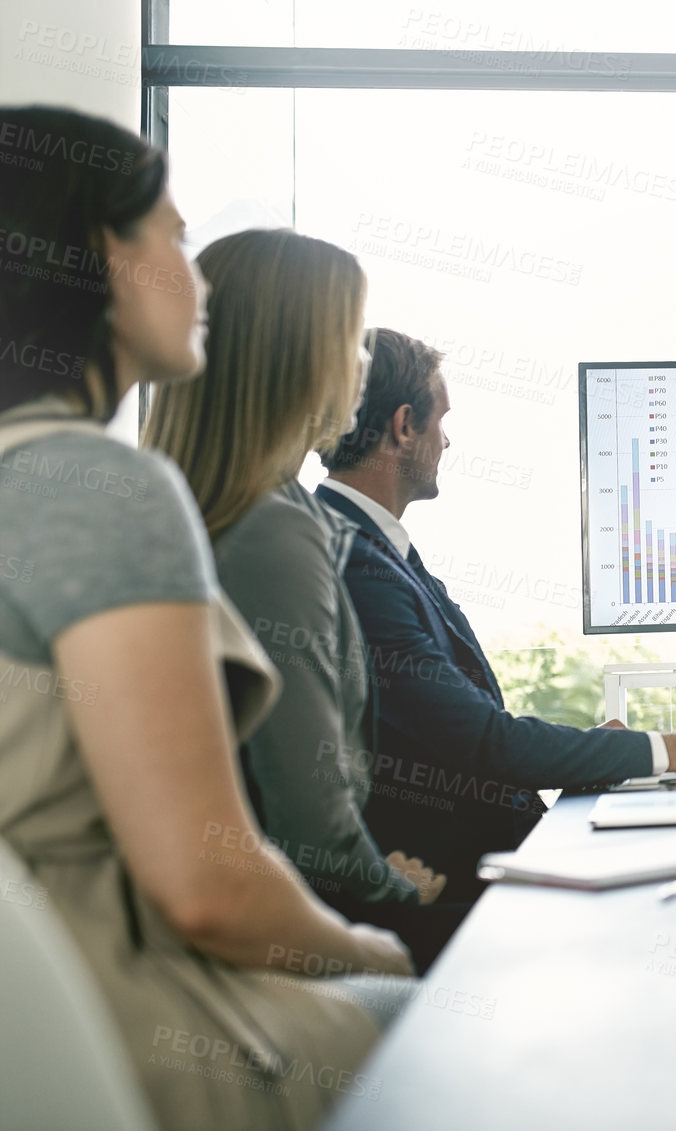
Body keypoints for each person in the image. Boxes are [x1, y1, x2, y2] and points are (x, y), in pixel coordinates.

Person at [0, 105, 409, 1131]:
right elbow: (208, 888)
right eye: (175, 238)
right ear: (106, 256)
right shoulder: (97, 487)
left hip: (42, 1020)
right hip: (121, 1019)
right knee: (442, 1022)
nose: (198, 281)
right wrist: (377, 949)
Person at [316, 329, 676, 899]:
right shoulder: (354, 561)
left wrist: (599, 754)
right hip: (455, 876)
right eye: (441, 422)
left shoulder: (375, 545)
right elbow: (480, 741)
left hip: (491, 847)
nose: (446, 443)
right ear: (403, 427)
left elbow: (460, 725)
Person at [142, 229, 447, 930]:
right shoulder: (275, 531)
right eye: (353, 341)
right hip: (298, 928)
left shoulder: (194, 508)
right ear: (301, 358)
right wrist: (397, 892)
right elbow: (313, 826)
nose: (363, 367)